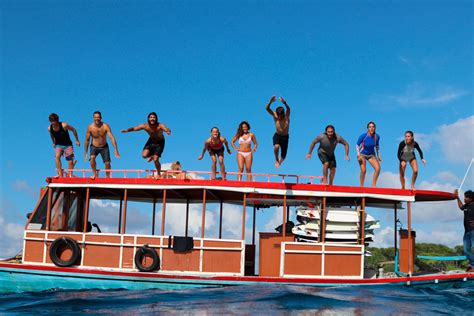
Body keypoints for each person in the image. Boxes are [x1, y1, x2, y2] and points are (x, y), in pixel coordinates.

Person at [121, 112, 171, 179]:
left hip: (160, 142)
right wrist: (127, 130)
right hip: (151, 141)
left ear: (156, 119)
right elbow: (135, 128)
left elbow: (166, 128)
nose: (152, 119)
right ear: (148, 119)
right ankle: (152, 156)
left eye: (154, 117)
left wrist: (168, 131)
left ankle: (158, 174)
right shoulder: (145, 126)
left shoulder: (160, 125)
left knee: (156, 159)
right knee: (144, 155)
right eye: (151, 117)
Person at [84, 111, 120, 179]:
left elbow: (111, 138)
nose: (97, 119)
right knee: (92, 158)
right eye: (95, 117)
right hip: (94, 146)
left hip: (104, 147)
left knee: (107, 163)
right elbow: (87, 140)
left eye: (98, 117)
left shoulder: (105, 126)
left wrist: (116, 149)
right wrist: (85, 152)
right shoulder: (90, 127)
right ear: (93, 118)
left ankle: (107, 176)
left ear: (101, 118)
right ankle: (94, 174)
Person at [48, 113, 80, 178]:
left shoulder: (64, 125)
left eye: (54, 121)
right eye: (52, 121)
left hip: (68, 144)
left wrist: (77, 140)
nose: (53, 123)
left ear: (57, 120)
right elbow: (51, 135)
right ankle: (60, 174)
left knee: (69, 159)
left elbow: (74, 130)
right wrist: (53, 142)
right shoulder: (49, 128)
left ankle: (70, 174)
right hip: (58, 144)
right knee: (57, 157)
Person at [265, 95, 291, 168]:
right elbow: (267, 109)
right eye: (278, 115)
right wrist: (270, 102)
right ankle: (276, 160)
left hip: (285, 137)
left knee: (283, 157)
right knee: (276, 146)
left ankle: (280, 161)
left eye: (281, 115)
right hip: (277, 135)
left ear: (283, 114)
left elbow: (288, 109)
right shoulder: (275, 116)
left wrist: (285, 103)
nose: (279, 117)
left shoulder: (286, 117)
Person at [454, 189, 474, 273]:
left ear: (471, 198)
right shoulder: (466, 206)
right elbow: (461, 207)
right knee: (466, 250)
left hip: (473, 231)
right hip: (466, 232)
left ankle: (472, 265)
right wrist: (457, 197)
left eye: (466, 197)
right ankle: (471, 265)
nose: (464, 199)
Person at [356, 121, 381, 187]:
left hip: (371, 155)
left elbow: (377, 146)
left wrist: (379, 155)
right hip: (362, 154)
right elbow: (357, 145)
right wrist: (358, 155)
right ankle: (361, 186)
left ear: (375, 128)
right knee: (363, 171)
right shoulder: (363, 136)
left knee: (378, 169)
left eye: (373, 127)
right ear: (367, 128)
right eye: (370, 127)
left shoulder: (377, 137)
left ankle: (374, 185)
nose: (371, 128)